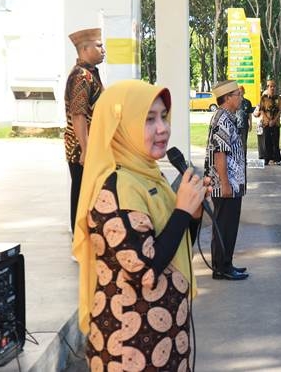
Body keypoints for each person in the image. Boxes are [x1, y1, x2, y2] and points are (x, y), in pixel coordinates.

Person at [73, 79, 207, 370]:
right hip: (130, 343)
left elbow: (172, 247)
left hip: (163, 334)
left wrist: (191, 215)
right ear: (123, 127)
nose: (162, 128)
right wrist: (182, 210)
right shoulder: (116, 189)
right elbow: (145, 270)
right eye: (148, 120)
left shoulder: (147, 174)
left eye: (163, 116)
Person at [204, 80, 249, 281]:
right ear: (227, 97)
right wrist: (224, 183)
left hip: (232, 182)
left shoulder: (228, 118)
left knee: (229, 226)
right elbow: (220, 153)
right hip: (226, 184)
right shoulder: (222, 119)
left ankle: (226, 264)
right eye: (237, 94)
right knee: (224, 226)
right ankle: (221, 267)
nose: (240, 98)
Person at [64, 28, 105, 234]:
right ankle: (79, 240)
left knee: (86, 194)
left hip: (87, 147)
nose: (103, 49)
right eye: (99, 45)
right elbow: (78, 114)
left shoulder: (89, 74)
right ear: (85, 49)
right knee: (82, 195)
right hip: (82, 151)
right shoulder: (82, 76)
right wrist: (86, 149)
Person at [259, 80, 281, 165]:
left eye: (274, 86)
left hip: (276, 123)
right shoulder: (263, 98)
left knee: (276, 141)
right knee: (267, 141)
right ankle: (267, 159)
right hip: (266, 123)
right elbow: (261, 110)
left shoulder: (279, 98)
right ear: (267, 87)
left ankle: (276, 159)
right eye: (270, 86)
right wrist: (268, 120)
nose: (272, 88)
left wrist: (274, 120)